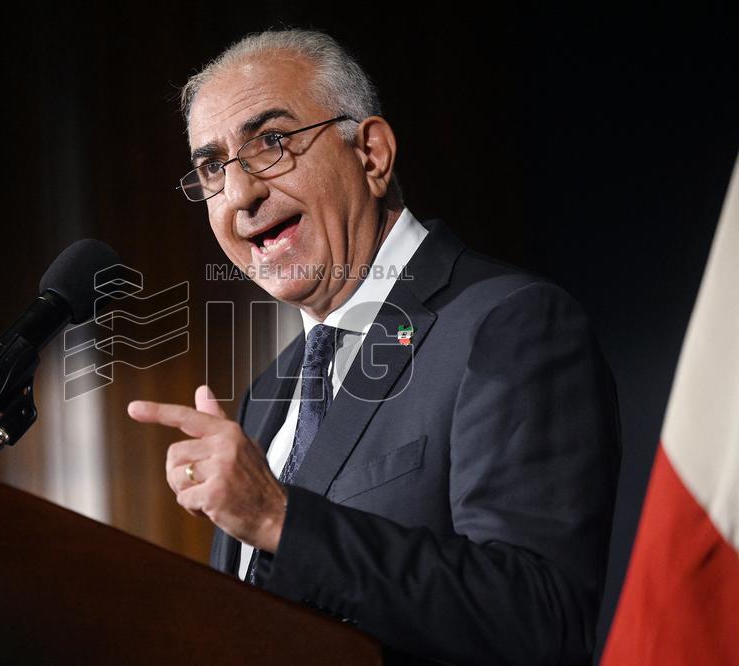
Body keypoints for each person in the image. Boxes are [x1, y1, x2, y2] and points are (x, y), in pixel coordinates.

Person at [128, 29, 620, 665]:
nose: (241, 194)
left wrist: (279, 517)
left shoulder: (511, 324)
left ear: (372, 154)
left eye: (271, 143)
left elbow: (538, 618)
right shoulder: (266, 396)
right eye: (212, 168)